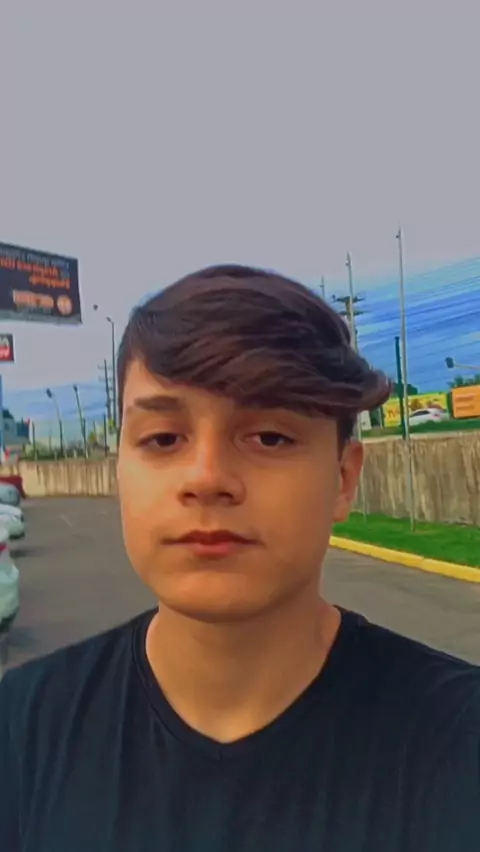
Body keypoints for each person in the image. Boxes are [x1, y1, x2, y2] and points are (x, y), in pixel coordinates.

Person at [0, 265, 479, 851]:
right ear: (120, 467)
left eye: (270, 437)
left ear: (343, 477)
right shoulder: (23, 730)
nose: (206, 478)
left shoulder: (458, 741)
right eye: (163, 439)